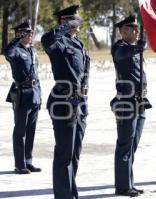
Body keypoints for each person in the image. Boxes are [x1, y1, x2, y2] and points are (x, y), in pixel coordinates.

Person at [41, 4, 90, 199]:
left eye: (77, 19)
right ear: (64, 21)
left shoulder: (78, 43)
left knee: (74, 154)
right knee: (64, 154)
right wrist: (66, 25)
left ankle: (70, 193)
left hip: (79, 102)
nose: (77, 23)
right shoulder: (57, 43)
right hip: (63, 102)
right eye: (73, 19)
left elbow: (85, 70)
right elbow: (46, 40)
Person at [110, 14, 152, 197]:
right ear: (122, 31)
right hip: (126, 103)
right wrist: (137, 47)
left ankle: (129, 182)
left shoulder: (134, 48)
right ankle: (122, 186)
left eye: (136, 29)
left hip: (140, 102)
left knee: (132, 146)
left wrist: (138, 47)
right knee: (124, 146)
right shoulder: (120, 47)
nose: (135, 32)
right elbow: (123, 54)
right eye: (131, 29)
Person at [4, 20, 42, 175]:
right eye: (27, 33)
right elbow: (7, 52)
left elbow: (36, 74)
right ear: (20, 34)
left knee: (31, 130)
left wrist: (39, 95)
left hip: (34, 93)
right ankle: (19, 165)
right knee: (20, 131)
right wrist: (16, 39)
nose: (30, 35)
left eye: (31, 33)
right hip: (22, 93)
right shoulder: (15, 51)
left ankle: (28, 161)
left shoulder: (32, 51)